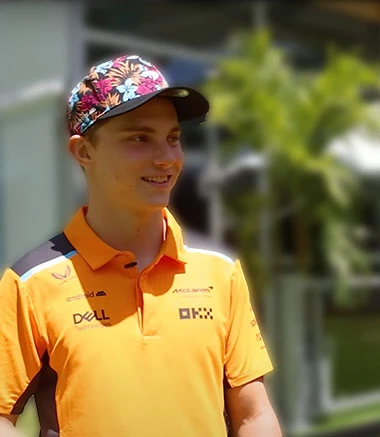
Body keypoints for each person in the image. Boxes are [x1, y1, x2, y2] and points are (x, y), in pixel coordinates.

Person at [0, 55, 282, 437]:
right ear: (84, 152)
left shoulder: (220, 271)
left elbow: (254, 415)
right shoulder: (31, 283)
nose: (166, 158)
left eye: (173, 138)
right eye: (139, 138)